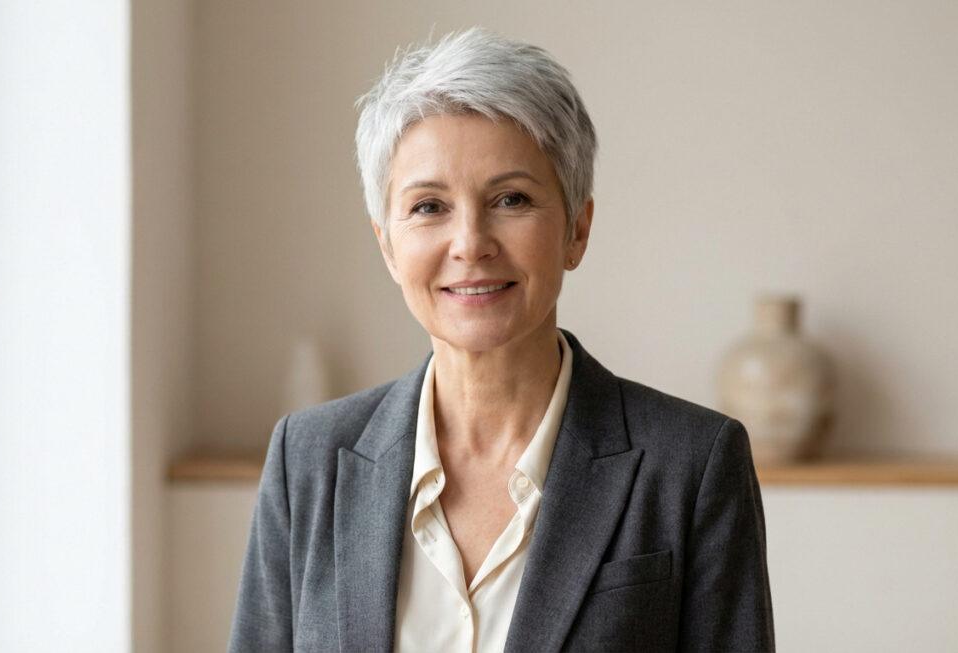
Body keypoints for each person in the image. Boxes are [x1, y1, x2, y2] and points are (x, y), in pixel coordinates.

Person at [229, 27, 774, 653]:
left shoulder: (693, 465)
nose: (470, 243)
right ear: (388, 245)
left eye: (511, 199)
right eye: (429, 207)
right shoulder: (307, 459)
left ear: (576, 230)